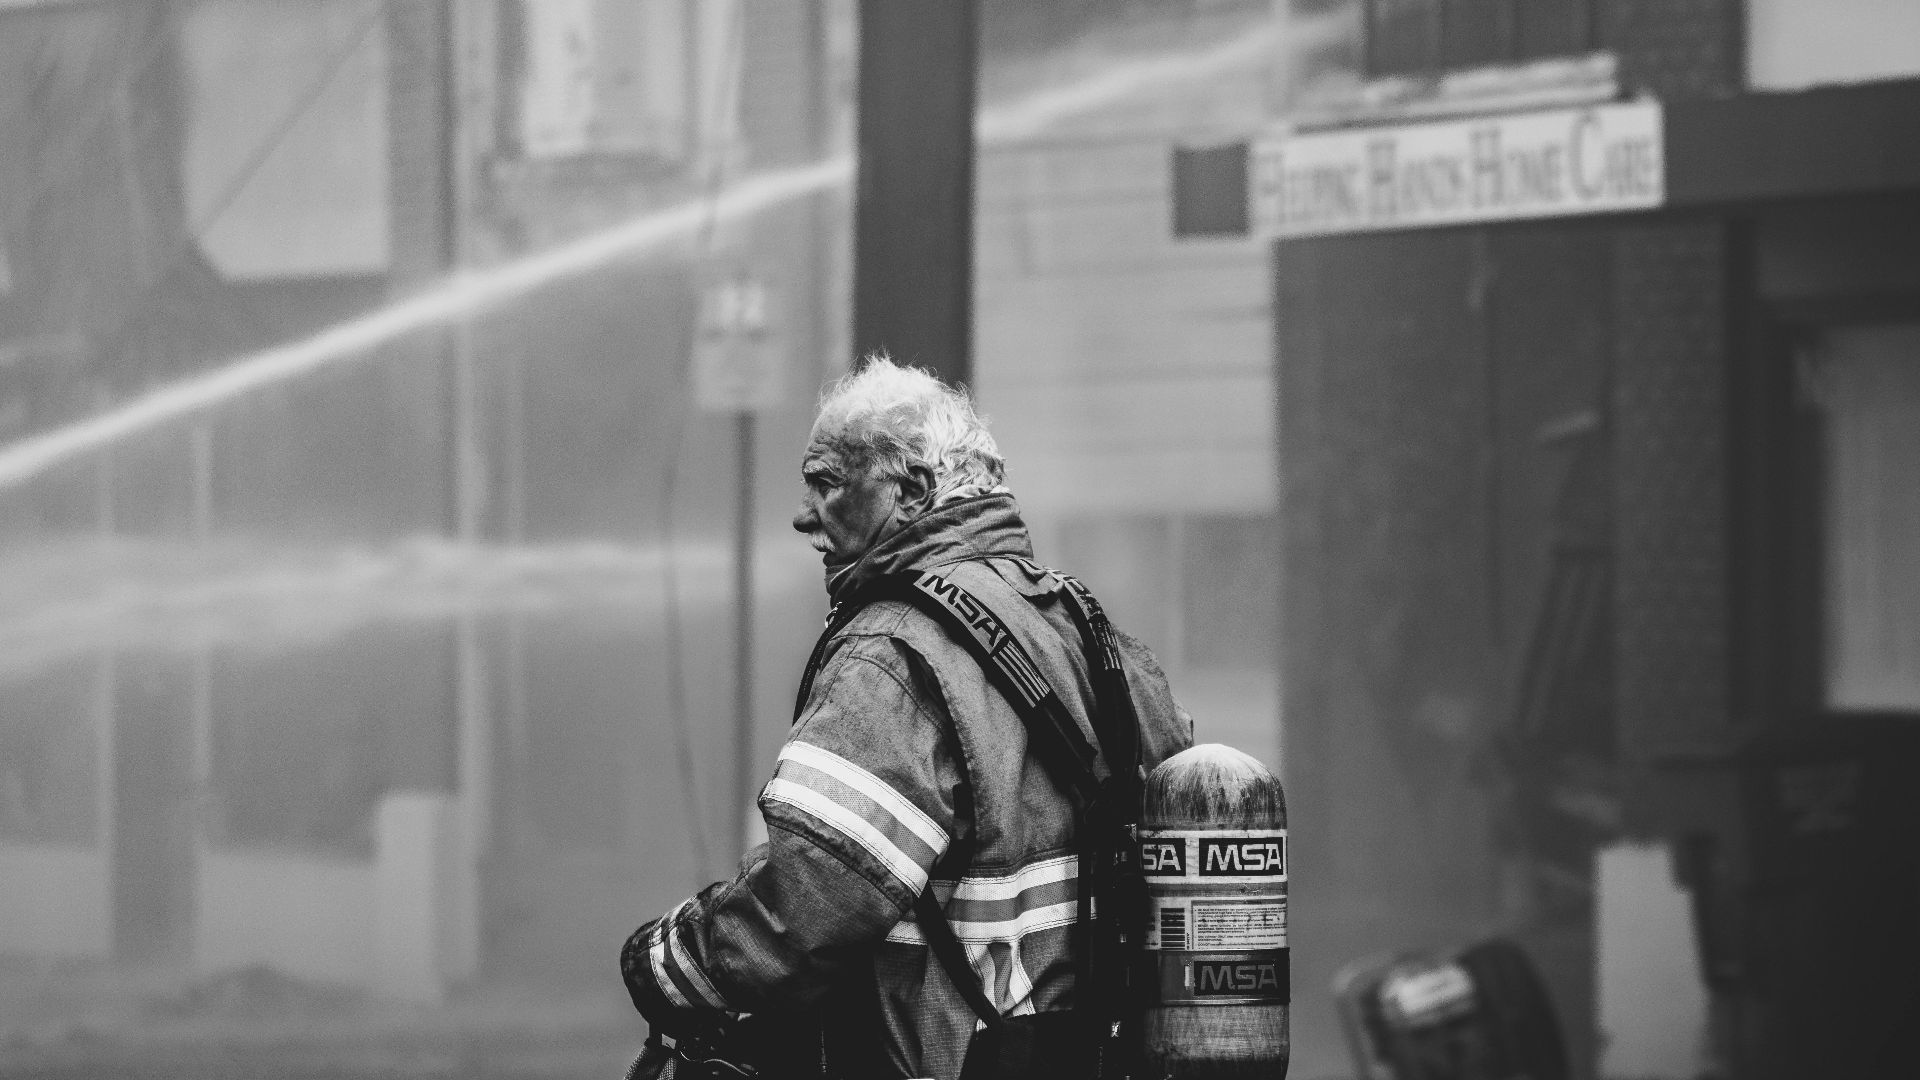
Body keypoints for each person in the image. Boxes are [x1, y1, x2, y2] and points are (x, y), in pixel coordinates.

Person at [620, 356, 1192, 1079]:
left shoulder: (893, 655)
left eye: (827, 483)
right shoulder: (1086, 631)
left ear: (912, 489)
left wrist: (677, 963)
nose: (804, 515)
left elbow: (812, 905)